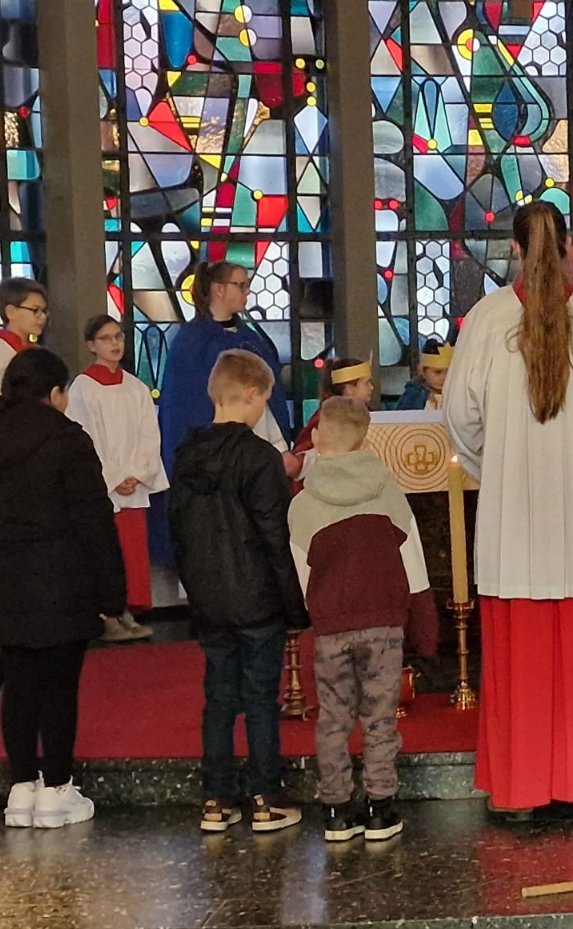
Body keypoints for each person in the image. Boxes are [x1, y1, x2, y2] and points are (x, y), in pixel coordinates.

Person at [444, 201, 573, 817]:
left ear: (512, 248)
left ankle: (519, 792)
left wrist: (501, 467)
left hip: (514, 527)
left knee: (522, 667)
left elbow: (461, 419)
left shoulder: (484, 320)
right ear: (569, 250)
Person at [170, 349, 309, 832]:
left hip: (208, 596)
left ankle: (215, 798)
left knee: (219, 696)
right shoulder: (259, 457)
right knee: (259, 698)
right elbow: (275, 537)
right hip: (256, 597)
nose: (263, 411)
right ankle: (264, 796)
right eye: (265, 401)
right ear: (250, 395)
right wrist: (295, 605)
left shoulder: (186, 455)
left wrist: (195, 588)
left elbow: (179, 534)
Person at [288, 398, 438, 843]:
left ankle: (336, 810)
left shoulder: (303, 505)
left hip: (332, 629)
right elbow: (414, 566)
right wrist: (424, 628)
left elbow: (300, 577)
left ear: (316, 437)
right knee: (379, 718)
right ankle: (380, 809)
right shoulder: (389, 493)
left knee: (333, 717)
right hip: (385, 628)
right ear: (365, 439)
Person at [0, 349, 122, 829]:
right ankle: (56, 788)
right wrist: (112, 595)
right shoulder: (68, 439)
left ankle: (21, 787)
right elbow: (94, 522)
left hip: (5, 582)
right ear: (54, 393)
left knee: (18, 686)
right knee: (58, 688)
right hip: (61, 580)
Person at [153, 260, 297, 568]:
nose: (247, 291)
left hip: (256, 459)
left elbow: (269, 400)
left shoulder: (251, 338)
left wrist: (278, 448)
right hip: (215, 470)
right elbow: (183, 408)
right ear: (218, 290)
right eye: (240, 285)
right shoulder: (191, 342)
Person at [66, 315, 168, 643]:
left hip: (131, 486)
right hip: (103, 488)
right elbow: (85, 438)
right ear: (91, 345)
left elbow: (149, 436)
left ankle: (127, 611)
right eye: (106, 338)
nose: (115, 344)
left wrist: (137, 473)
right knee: (106, 550)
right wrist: (111, 477)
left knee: (131, 552)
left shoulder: (136, 387)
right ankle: (107, 614)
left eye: (119, 336)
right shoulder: (83, 387)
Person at [292, 358, 376, 480]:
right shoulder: (326, 418)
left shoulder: (367, 414)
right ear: (350, 389)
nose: (372, 387)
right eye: (366, 383)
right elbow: (305, 455)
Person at [0, 277, 46, 392]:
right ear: (11, 312)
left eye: (44, 311)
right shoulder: (3, 351)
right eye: (35, 310)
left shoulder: (38, 352)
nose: (43, 317)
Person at [395, 340, 452, 411]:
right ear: (423, 371)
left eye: (449, 373)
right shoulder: (413, 394)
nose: (443, 378)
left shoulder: (454, 394)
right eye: (437, 372)